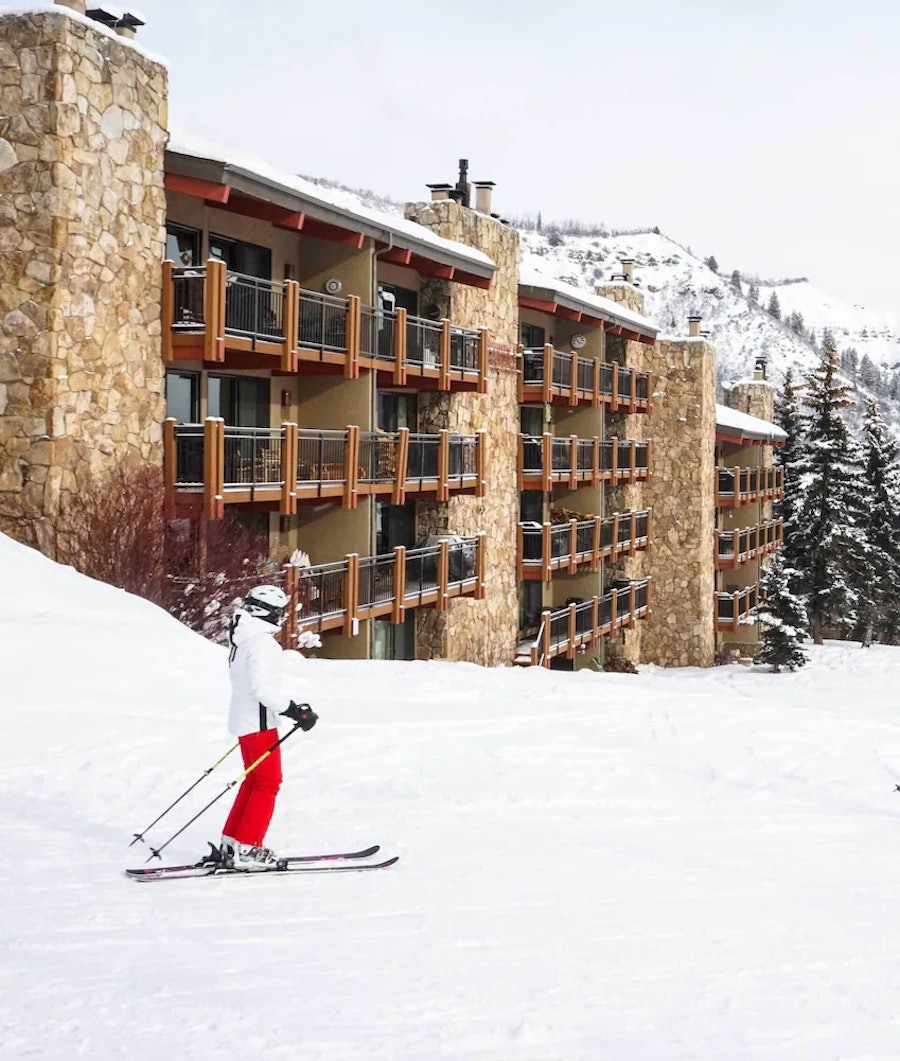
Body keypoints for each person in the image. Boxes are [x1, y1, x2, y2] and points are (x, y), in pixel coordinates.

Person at [220, 584, 318, 871]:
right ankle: (249, 847)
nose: (282, 618)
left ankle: (232, 843)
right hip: (259, 722)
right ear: (268, 612)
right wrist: (294, 710)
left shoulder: (242, 637)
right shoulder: (262, 643)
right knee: (267, 784)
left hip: (244, 719)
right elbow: (262, 688)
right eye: (280, 612)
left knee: (253, 782)